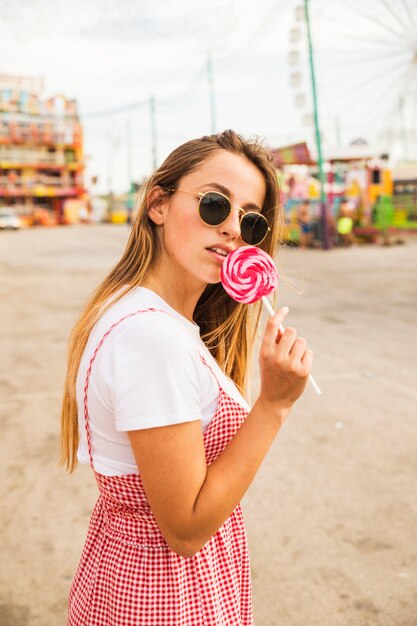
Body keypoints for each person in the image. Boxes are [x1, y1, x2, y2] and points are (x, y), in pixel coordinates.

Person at [61, 130, 313, 625]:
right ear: (158, 203)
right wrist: (275, 404)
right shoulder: (152, 338)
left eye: (252, 219)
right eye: (215, 204)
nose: (234, 229)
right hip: (165, 596)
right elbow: (186, 528)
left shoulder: (145, 313)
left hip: (130, 577)